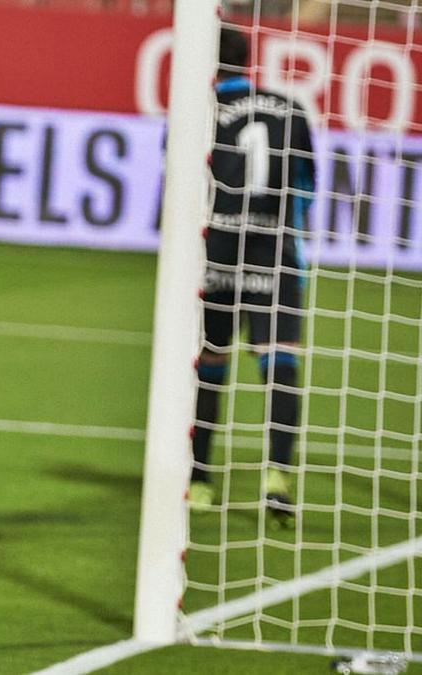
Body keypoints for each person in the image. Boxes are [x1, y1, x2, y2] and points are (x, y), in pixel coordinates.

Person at [190, 27, 315, 518]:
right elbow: (306, 185)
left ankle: (199, 480)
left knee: (210, 366)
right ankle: (277, 479)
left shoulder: (198, 111)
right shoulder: (290, 108)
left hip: (216, 254)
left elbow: (180, 186)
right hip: (276, 255)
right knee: (279, 364)